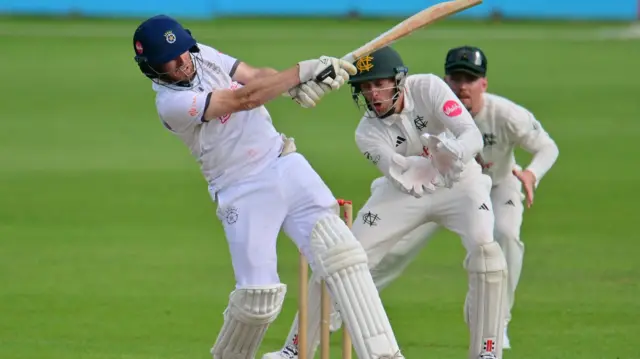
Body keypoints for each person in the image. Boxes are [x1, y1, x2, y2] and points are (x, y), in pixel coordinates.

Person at [132, 14, 407, 359]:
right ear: (151, 69)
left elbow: (256, 78)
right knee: (257, 300)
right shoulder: (170, 104)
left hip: (283, 161)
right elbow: (243, 99)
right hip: (241, 189)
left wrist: (296, 84)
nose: (181, 64)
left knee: (344, 256)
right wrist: (301, 71)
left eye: (182, 54)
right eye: (168, 62)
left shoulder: (200, 53)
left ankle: (385, 355)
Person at [264, 46, 508, 359]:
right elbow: (402, 174)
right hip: (406, 190)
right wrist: (429, 162)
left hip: (462, 183)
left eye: (380, 84)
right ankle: (295, 349)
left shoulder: (429, 87)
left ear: (399, 80)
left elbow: (470, 134)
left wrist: (454, 152)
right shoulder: (366, 132)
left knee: (487, 253)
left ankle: (487, 352)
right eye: (365, 87)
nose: (373, 94)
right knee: (340, 258)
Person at [351, 45, 560, 349]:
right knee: (394, 250)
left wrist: (532, 173)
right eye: (457, 78)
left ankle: (497, 321)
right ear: (447, 80)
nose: (463, 86)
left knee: (504, 237)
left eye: (471, 79)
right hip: (436, 185)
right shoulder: (434, 103)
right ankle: (348, 305)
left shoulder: (506, 114)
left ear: (484, 83)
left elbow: (547, 147)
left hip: (501, 183)